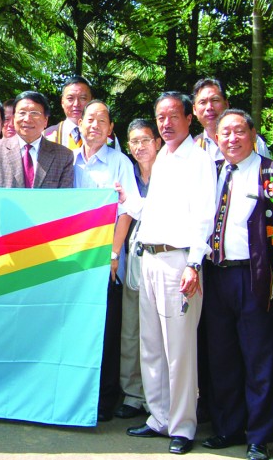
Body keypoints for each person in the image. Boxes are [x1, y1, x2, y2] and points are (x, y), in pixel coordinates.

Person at [126, 92, 216, 455]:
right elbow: (157, 208)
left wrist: (195, 263)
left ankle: (182, 425)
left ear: (188, 118)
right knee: (151, 345)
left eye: (172, 116)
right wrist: (126, 201)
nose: (165, 123)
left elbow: (204, 215)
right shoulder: (163, 155)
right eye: (160, 117)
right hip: (149, 257)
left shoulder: (198, 159)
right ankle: (158, 416)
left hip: (178, 263)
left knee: (178, 350)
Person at [199, 110, 273, 460]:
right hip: (217, 275)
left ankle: (259, 435)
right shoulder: (213, 172)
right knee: (222, 357)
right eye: (225, 133)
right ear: (216, 139)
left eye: (238, 131)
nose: (231, 139)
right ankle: (228, 427)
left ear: (252, 133)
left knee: (259, 357)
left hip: (256, 277)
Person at [72, 101, 141, 424]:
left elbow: (126, 211)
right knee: (77, 330)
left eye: (102, 120)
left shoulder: (119, 163)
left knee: (108, 330)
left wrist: (113, 255)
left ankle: (105, 399)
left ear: (111, 128)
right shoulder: (68, 161)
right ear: (79, 124)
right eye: (90, 119)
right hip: (73, 263)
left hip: (106, 262)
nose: (95, 125)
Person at [114, 118, 161, 422]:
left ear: (157, 142)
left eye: (145, 140)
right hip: (134, 256)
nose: (140, 146)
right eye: (134, 142)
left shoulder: (171, 171)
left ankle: (158, 395)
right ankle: (133, 393)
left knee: (159, 331)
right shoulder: (128, 173)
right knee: (130, 328)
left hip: (165, 257)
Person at [0, 91, 73, 189]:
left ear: (46, 120)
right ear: (14, 117)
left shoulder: (63, 156)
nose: (27, 119)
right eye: (22, 113)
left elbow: (64, 200)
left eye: (34, 113)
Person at [192, 78, 270, 164]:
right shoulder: (193, 147)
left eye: (215, 100)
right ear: (194, 109)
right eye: (203, 102)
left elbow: (267, 174)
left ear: (226, 104)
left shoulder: (254, 142)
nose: (209, 107)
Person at [44, 76, 93, 149]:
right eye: (70, 98)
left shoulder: (106, 137)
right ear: (62, 102)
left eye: (83, 98)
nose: (76, 104)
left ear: (91, 101)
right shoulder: (47, 136)